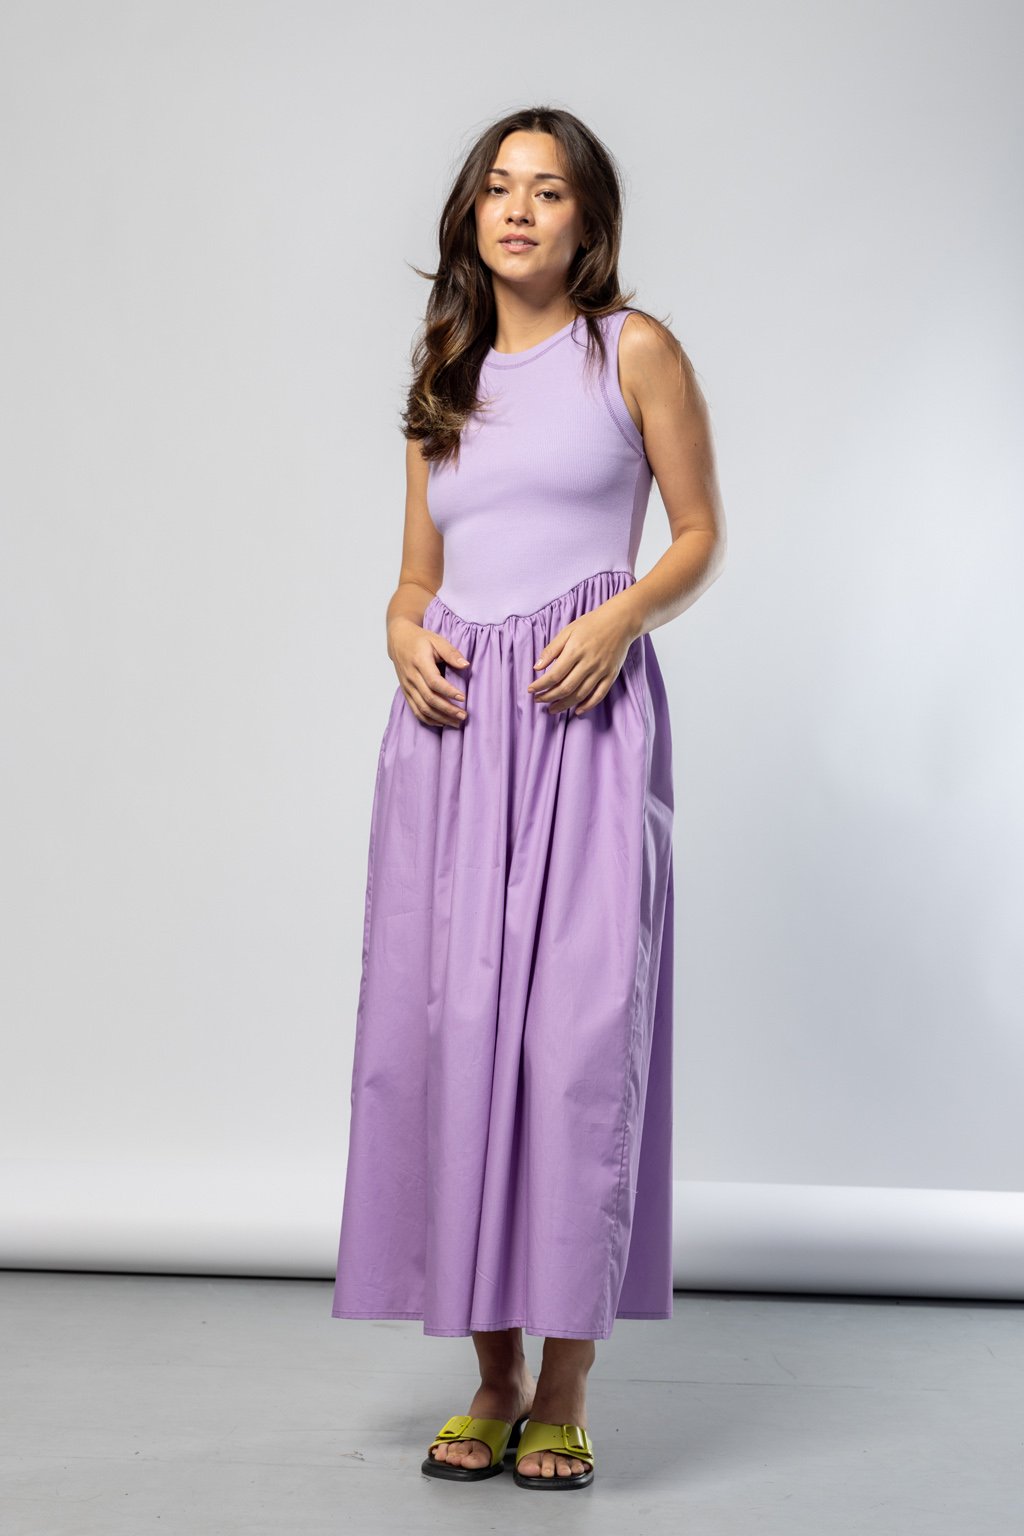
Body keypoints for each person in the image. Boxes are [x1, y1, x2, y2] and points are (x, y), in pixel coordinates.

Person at [330, 105, 726, 1491]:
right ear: (470, 216)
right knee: (454, 1036)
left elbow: (698, 534)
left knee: (573, 1043)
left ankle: (565, 1384)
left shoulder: (634, 351)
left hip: (582, 718)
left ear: (586, 220)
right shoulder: (445, 375)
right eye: (498, 188)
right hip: (450, 738)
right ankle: (492, 1375)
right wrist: (398, 631)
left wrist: (619, 619)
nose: (518, 210)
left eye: (548, 191)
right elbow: (416, 576)